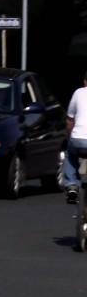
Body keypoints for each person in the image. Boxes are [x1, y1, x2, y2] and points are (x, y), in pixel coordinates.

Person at [65, 71, 87, 203]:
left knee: (70, 155)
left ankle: (72, 185)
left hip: (77, 139)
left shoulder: (78, 93)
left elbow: (69, 120)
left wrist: (69, 136)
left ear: (85, 82)